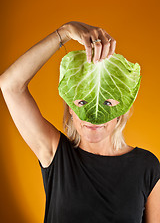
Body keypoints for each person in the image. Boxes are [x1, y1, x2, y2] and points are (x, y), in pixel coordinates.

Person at [0, 21, 160, 223]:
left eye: (108, 102)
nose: (93, 115)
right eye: (82, 102)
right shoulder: (56, 153)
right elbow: (10, 85)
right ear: (70, 108)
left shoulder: (147, 167)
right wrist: (64, 32)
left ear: (123, 108)